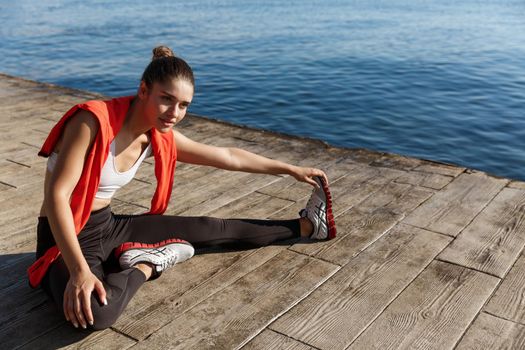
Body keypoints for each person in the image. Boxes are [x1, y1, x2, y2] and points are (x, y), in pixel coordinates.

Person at [28, 45, 336, 331]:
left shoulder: (157, 134)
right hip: (62, 236)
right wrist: (79, 271)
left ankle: (307, 226)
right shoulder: (92, 122)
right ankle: (148, 264)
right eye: (166, 99)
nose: (174, 113)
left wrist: (290, 168)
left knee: (210, 229)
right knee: (96, 313)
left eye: (183, 105)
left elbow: (227, 156)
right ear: (143, 90)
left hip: (106, 226)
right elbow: (58, 196)